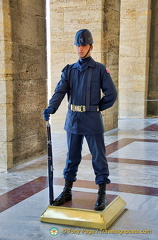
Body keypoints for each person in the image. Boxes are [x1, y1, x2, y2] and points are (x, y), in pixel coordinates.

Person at [43, 29, 117, 211]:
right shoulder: (69, 70)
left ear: (91, 46)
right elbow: (60, 91)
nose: (80, 48)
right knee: (72, 157)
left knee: (99, 157)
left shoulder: (100, 69)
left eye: (83, 45)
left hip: (92, 120)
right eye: (78, 45)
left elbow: (111, 94)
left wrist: (97, 107)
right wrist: (51, 107)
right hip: (73, 120)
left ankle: (101, 193)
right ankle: (67, 190)